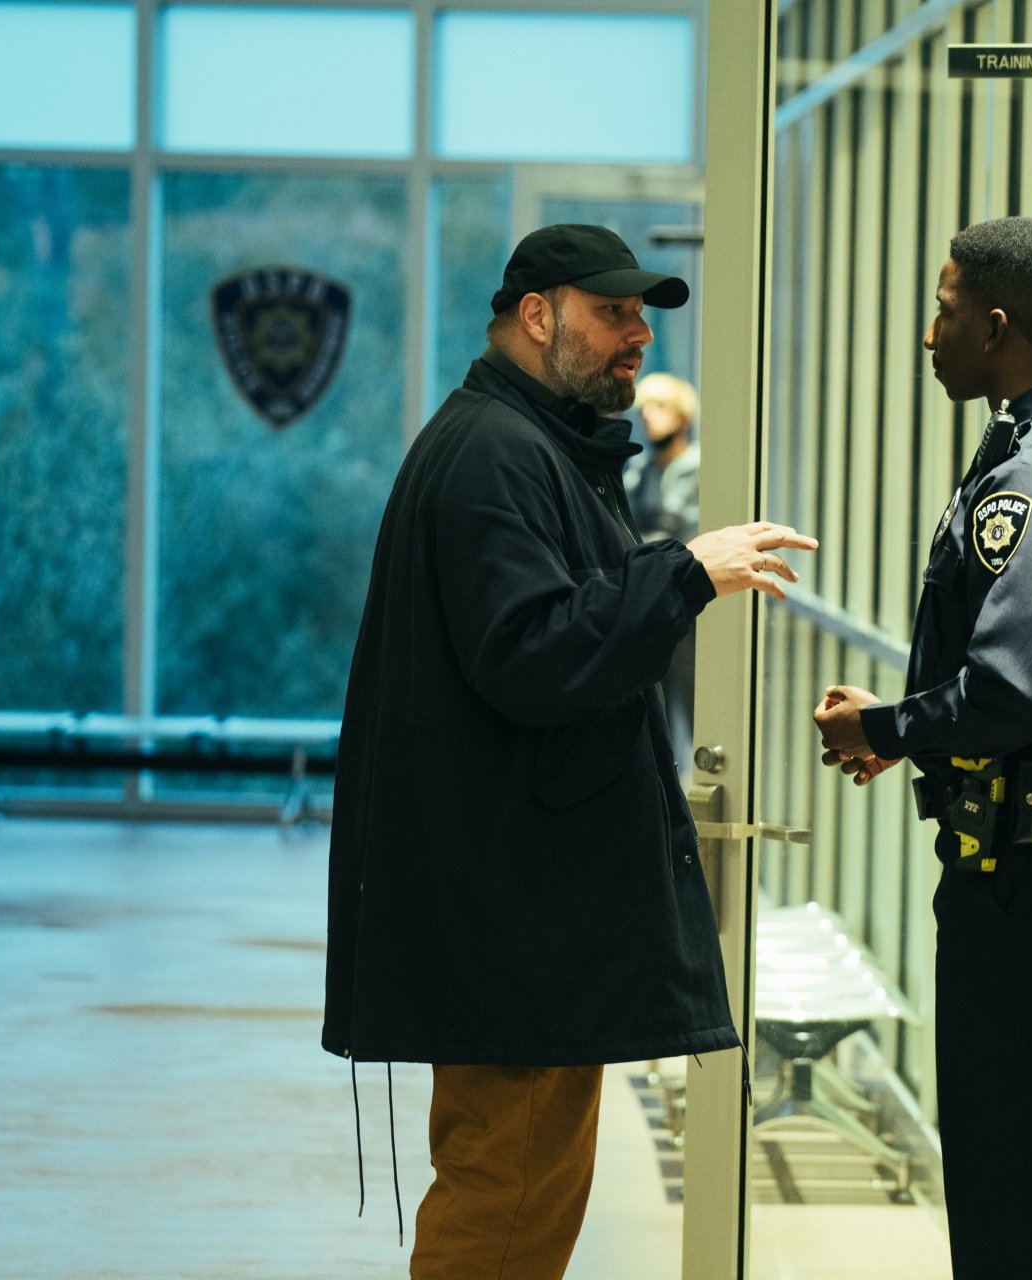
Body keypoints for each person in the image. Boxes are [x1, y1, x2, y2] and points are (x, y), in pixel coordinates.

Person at [322, 224, 815, 1278]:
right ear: (536, 314)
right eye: (612, 314)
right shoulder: (498, 453)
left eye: (643, 316)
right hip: (517, 923)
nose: (638, 337)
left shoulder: (536, 445)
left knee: (522, 1204)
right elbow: (533, 655)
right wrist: (685, 572)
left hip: (528, 916)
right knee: (504, 1206)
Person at [811, 217, 1032, 1279]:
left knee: (1013, 1178)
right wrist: (922, 732)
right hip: (1029, 864)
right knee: (1019, 1164)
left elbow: (1013, 689)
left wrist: (885, 725)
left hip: (1024, 882)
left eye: (947, 307)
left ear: (999, 324)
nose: (933, 332)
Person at [623, 372, 701, 773]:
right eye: (646, 409)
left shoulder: (698, 470)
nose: (650, 417)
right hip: (647, 594)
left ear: (683, 416)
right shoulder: (640, 472)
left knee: (688, 696)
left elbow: (690, 535)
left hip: (688, 596)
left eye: (661, 408)